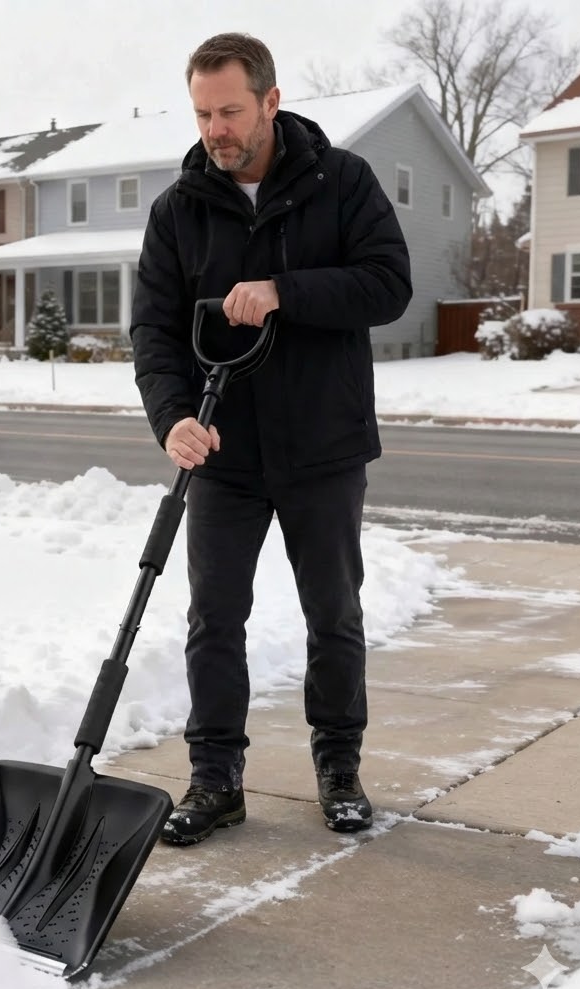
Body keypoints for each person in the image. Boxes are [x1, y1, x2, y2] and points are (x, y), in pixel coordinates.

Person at [131, 32, 412, 843]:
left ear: (270, 102)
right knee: (214, 619)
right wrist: (173, 419)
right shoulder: (179, 210)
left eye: (229, 112)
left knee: (334, 614)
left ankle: (339, 768)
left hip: (325, 445)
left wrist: (284, 290)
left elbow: (389, 285)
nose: (215, 130)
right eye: (202, 115)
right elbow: (153, 331)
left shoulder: (342, 181)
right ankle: (215, 778)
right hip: (225, 451)